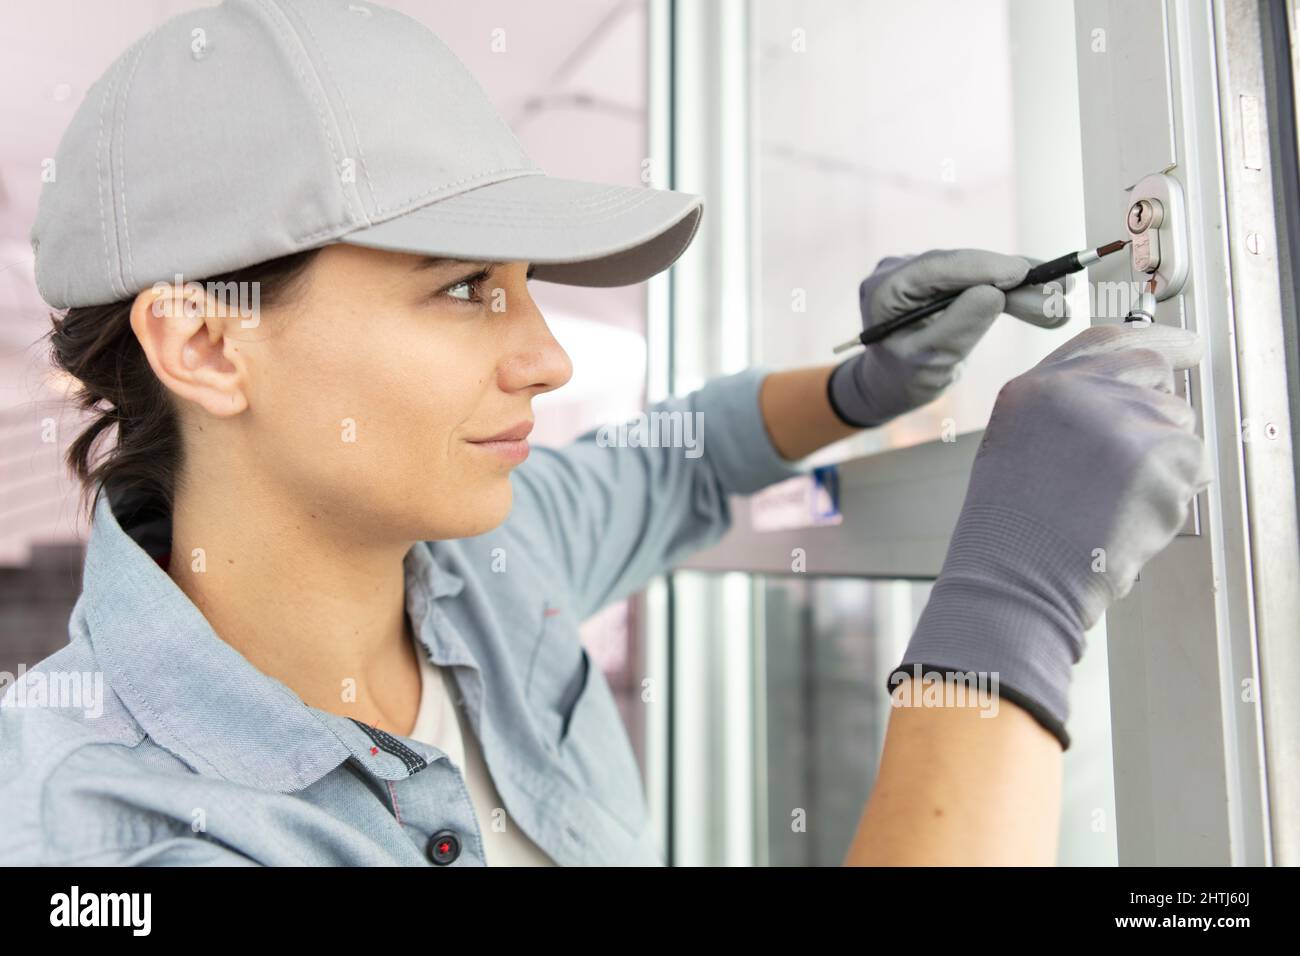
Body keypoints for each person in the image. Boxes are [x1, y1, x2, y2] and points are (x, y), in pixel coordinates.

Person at [0, 0, 1207, 866]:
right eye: (465, 286)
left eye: (529, 284)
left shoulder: (480, 559)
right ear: (207, 343)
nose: (549, 356)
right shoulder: (96, 826)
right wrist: (1005, 619)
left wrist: (859, 387)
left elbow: (685, 454)